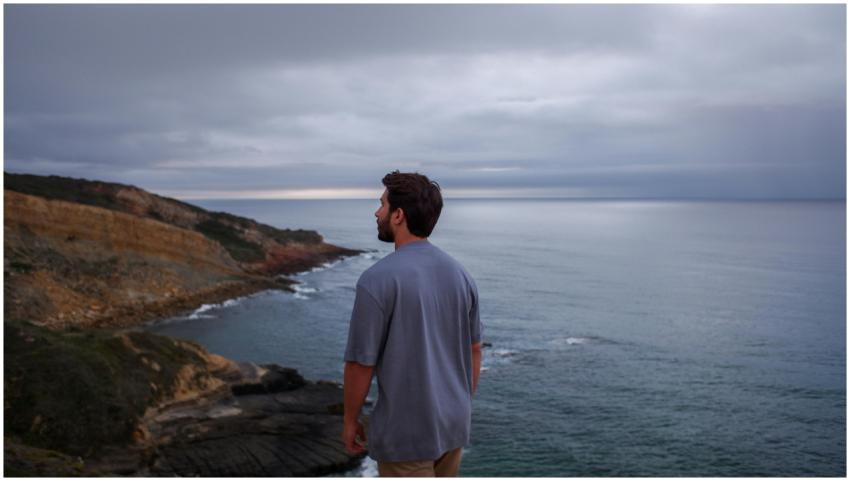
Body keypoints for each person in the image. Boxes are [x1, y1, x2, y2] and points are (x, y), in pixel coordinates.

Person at [342, 170, 483, 477]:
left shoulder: (376, 280)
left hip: (407, 434)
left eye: (382, 205)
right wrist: (458, 400)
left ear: (398, 215)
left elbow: (359, 364)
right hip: (453, 425)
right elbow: (475, 349)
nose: (377, 212)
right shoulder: (461, 275)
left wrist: (350, 421)